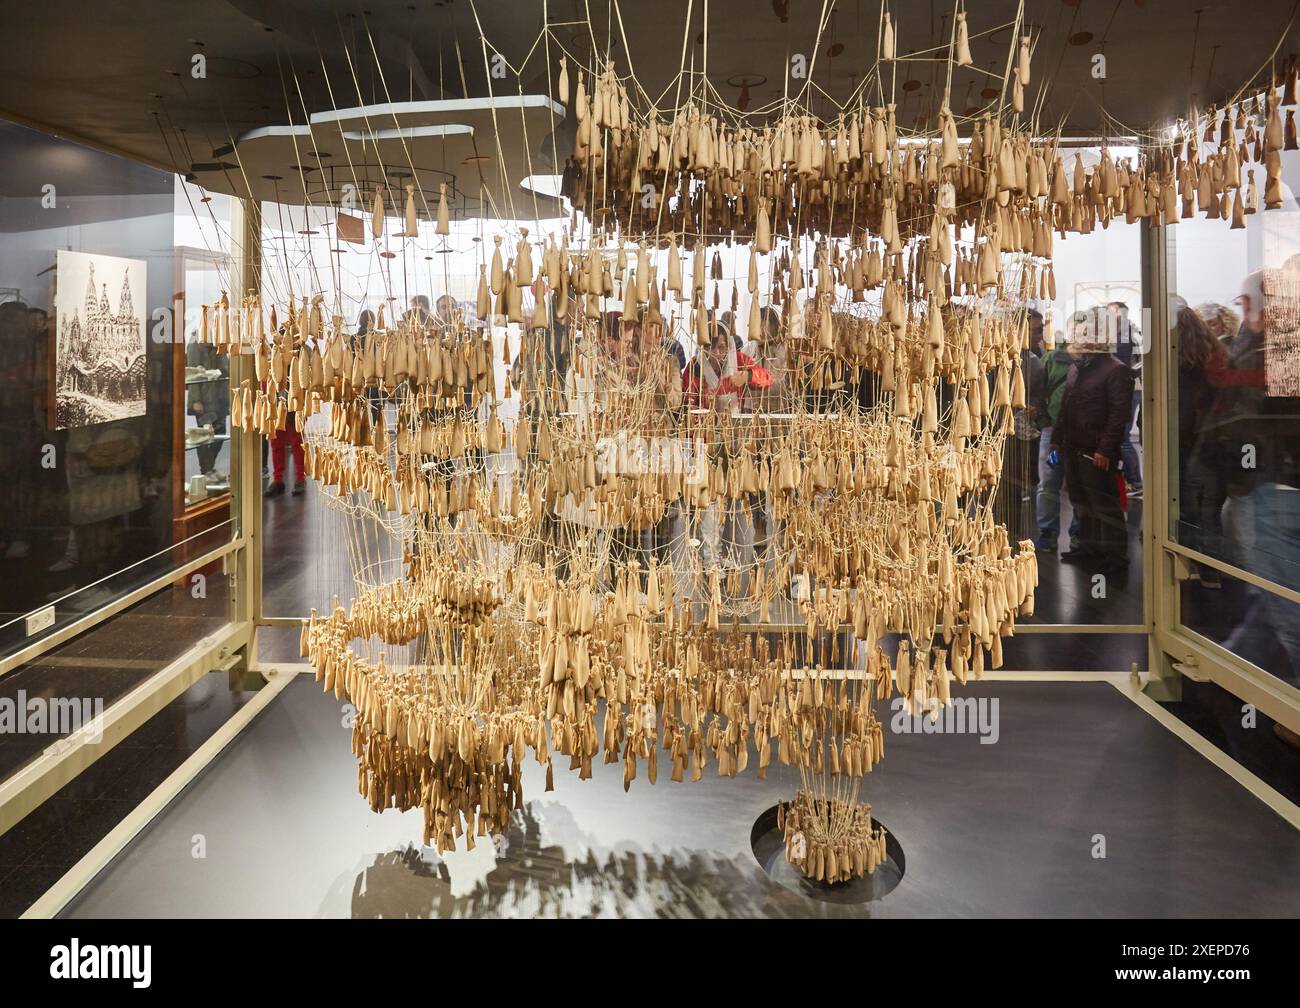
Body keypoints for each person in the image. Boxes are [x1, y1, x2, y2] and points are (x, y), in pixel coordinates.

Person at [1176, 305, 1265, 587]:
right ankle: (1212, 569)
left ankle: (1194, 564)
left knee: (1191, 507)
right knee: (1211, 508)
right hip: (1219, 441)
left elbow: (1185, 409)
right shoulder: (1218, 355)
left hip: (1195, 442)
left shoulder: (1181, 362)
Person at [1050, 309, 1136, 573]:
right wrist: (1056, 441)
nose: (1080, 337)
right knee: (1081, 501)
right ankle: (1089, 548)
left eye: (1087, 333)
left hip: (1095, 448)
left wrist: (1105, 449)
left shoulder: (1116, 370)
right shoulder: (1078, 368)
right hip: (1074, 445)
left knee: (1104, 505)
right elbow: (1066, 407)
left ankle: (1115, 557)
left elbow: (1118, 415)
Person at [1035, 314, 1081, 552]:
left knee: (1079, 484)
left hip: (1081, 437)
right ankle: (1047, 532)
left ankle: (1078, 534)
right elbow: (1037, 392)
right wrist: (1044, 422)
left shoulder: (1095, 361)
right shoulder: (1052, 359)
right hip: (1053, 435)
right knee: (1049, 482)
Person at [682, 318, 771, 414]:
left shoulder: (739, 360)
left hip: (735, 422)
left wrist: (748, 376)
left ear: (728, 347)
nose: (717, 353)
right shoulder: (695, 366)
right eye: (711, 347)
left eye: (721, 347)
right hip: (705, 424)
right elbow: (687, 403)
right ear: (704, 347)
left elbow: (767, 378)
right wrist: (706, 402)